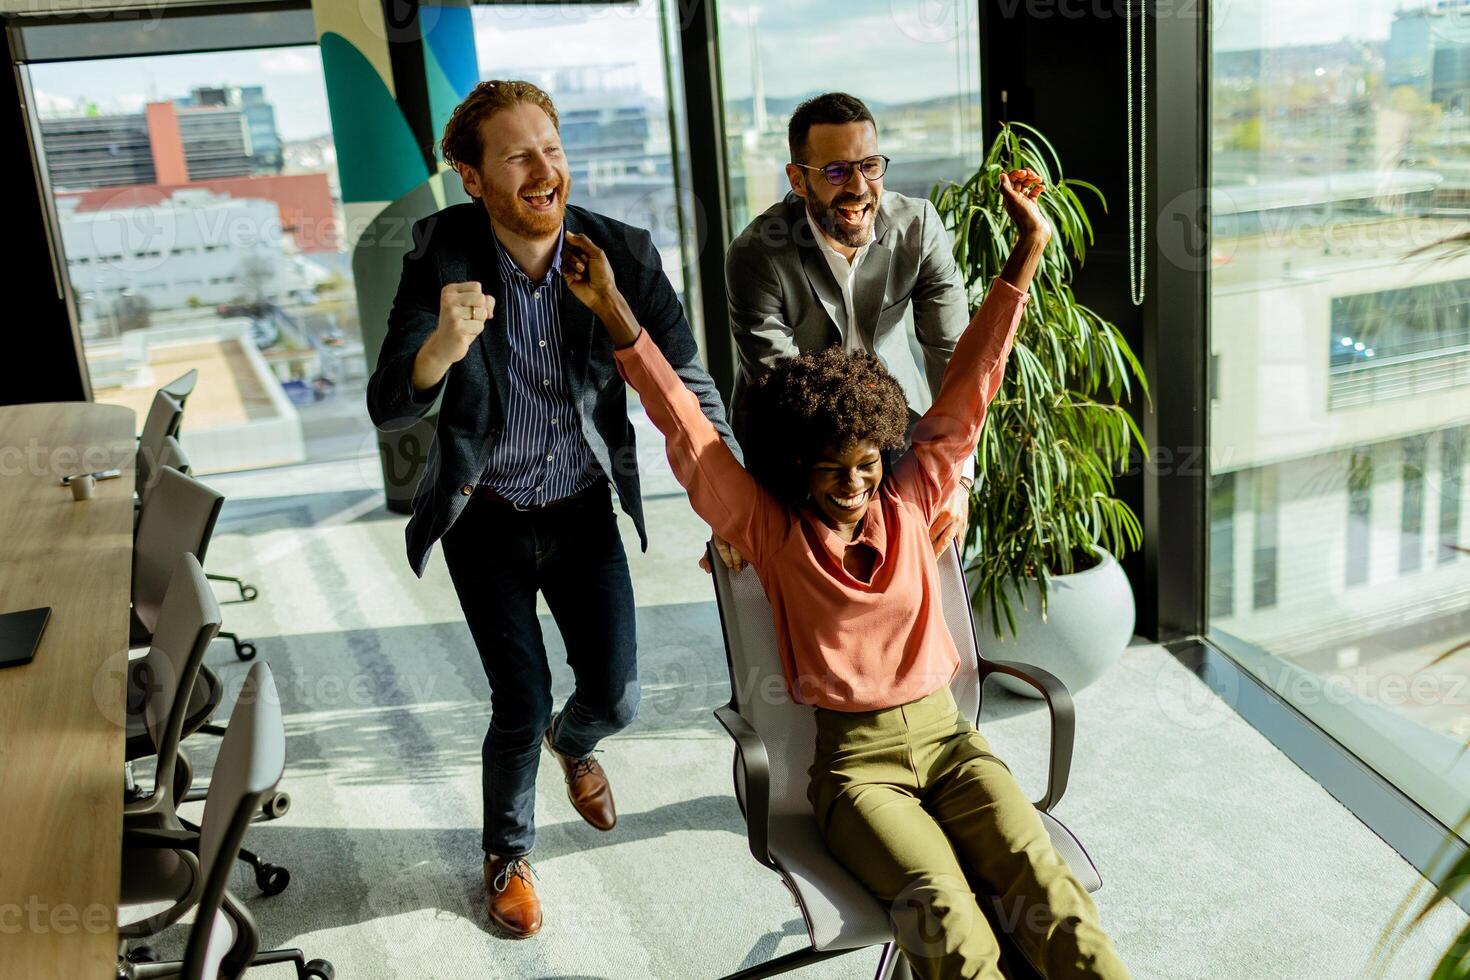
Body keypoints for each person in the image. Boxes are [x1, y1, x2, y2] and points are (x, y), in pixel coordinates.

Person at [559, 169, 1130, 978]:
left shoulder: (910, 497)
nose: (854, 484)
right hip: (857, 775)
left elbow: (972, 384)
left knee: (1047, 886)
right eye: (832, 469)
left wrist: (1027, 252)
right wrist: (617, 313)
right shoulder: (770, 529)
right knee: (947, 917)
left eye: (866, 463)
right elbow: (684, 429)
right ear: (796, 467)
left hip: (952, 745)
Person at [365, 79, 739, 939]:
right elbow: (390, 404)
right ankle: (507, 855)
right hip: (484, 517)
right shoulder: (438, 253)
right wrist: (438, 351)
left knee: (614, 697)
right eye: (519, 155)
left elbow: (688, 383)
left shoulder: (621, 253)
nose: (545, 171)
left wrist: (732, 503)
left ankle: (580, 744)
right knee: (519, 701)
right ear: (471, 176)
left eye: (553, 149)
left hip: (581, 510)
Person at [718, 92, 976, 574]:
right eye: (837, 171)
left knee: (920, 571)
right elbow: (781, 391)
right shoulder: (756, 253)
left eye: (870, 165)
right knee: (809, 593)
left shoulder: (917, 227)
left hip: (899, 426)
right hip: (795, 444)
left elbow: (955, 359)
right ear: (798, 179)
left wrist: (957, 479)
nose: (859, 187)